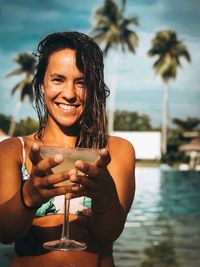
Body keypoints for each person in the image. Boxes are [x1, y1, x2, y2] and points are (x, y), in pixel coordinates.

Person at [0, 31, 135, 267]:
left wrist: (105, 195)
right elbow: (5, 234)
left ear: (93, 89)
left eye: (81, 82)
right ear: (42, 84)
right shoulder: (13, 151)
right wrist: (28, 197)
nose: (70, 94)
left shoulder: (115, 151)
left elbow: (109, 234)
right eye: (58, 79)